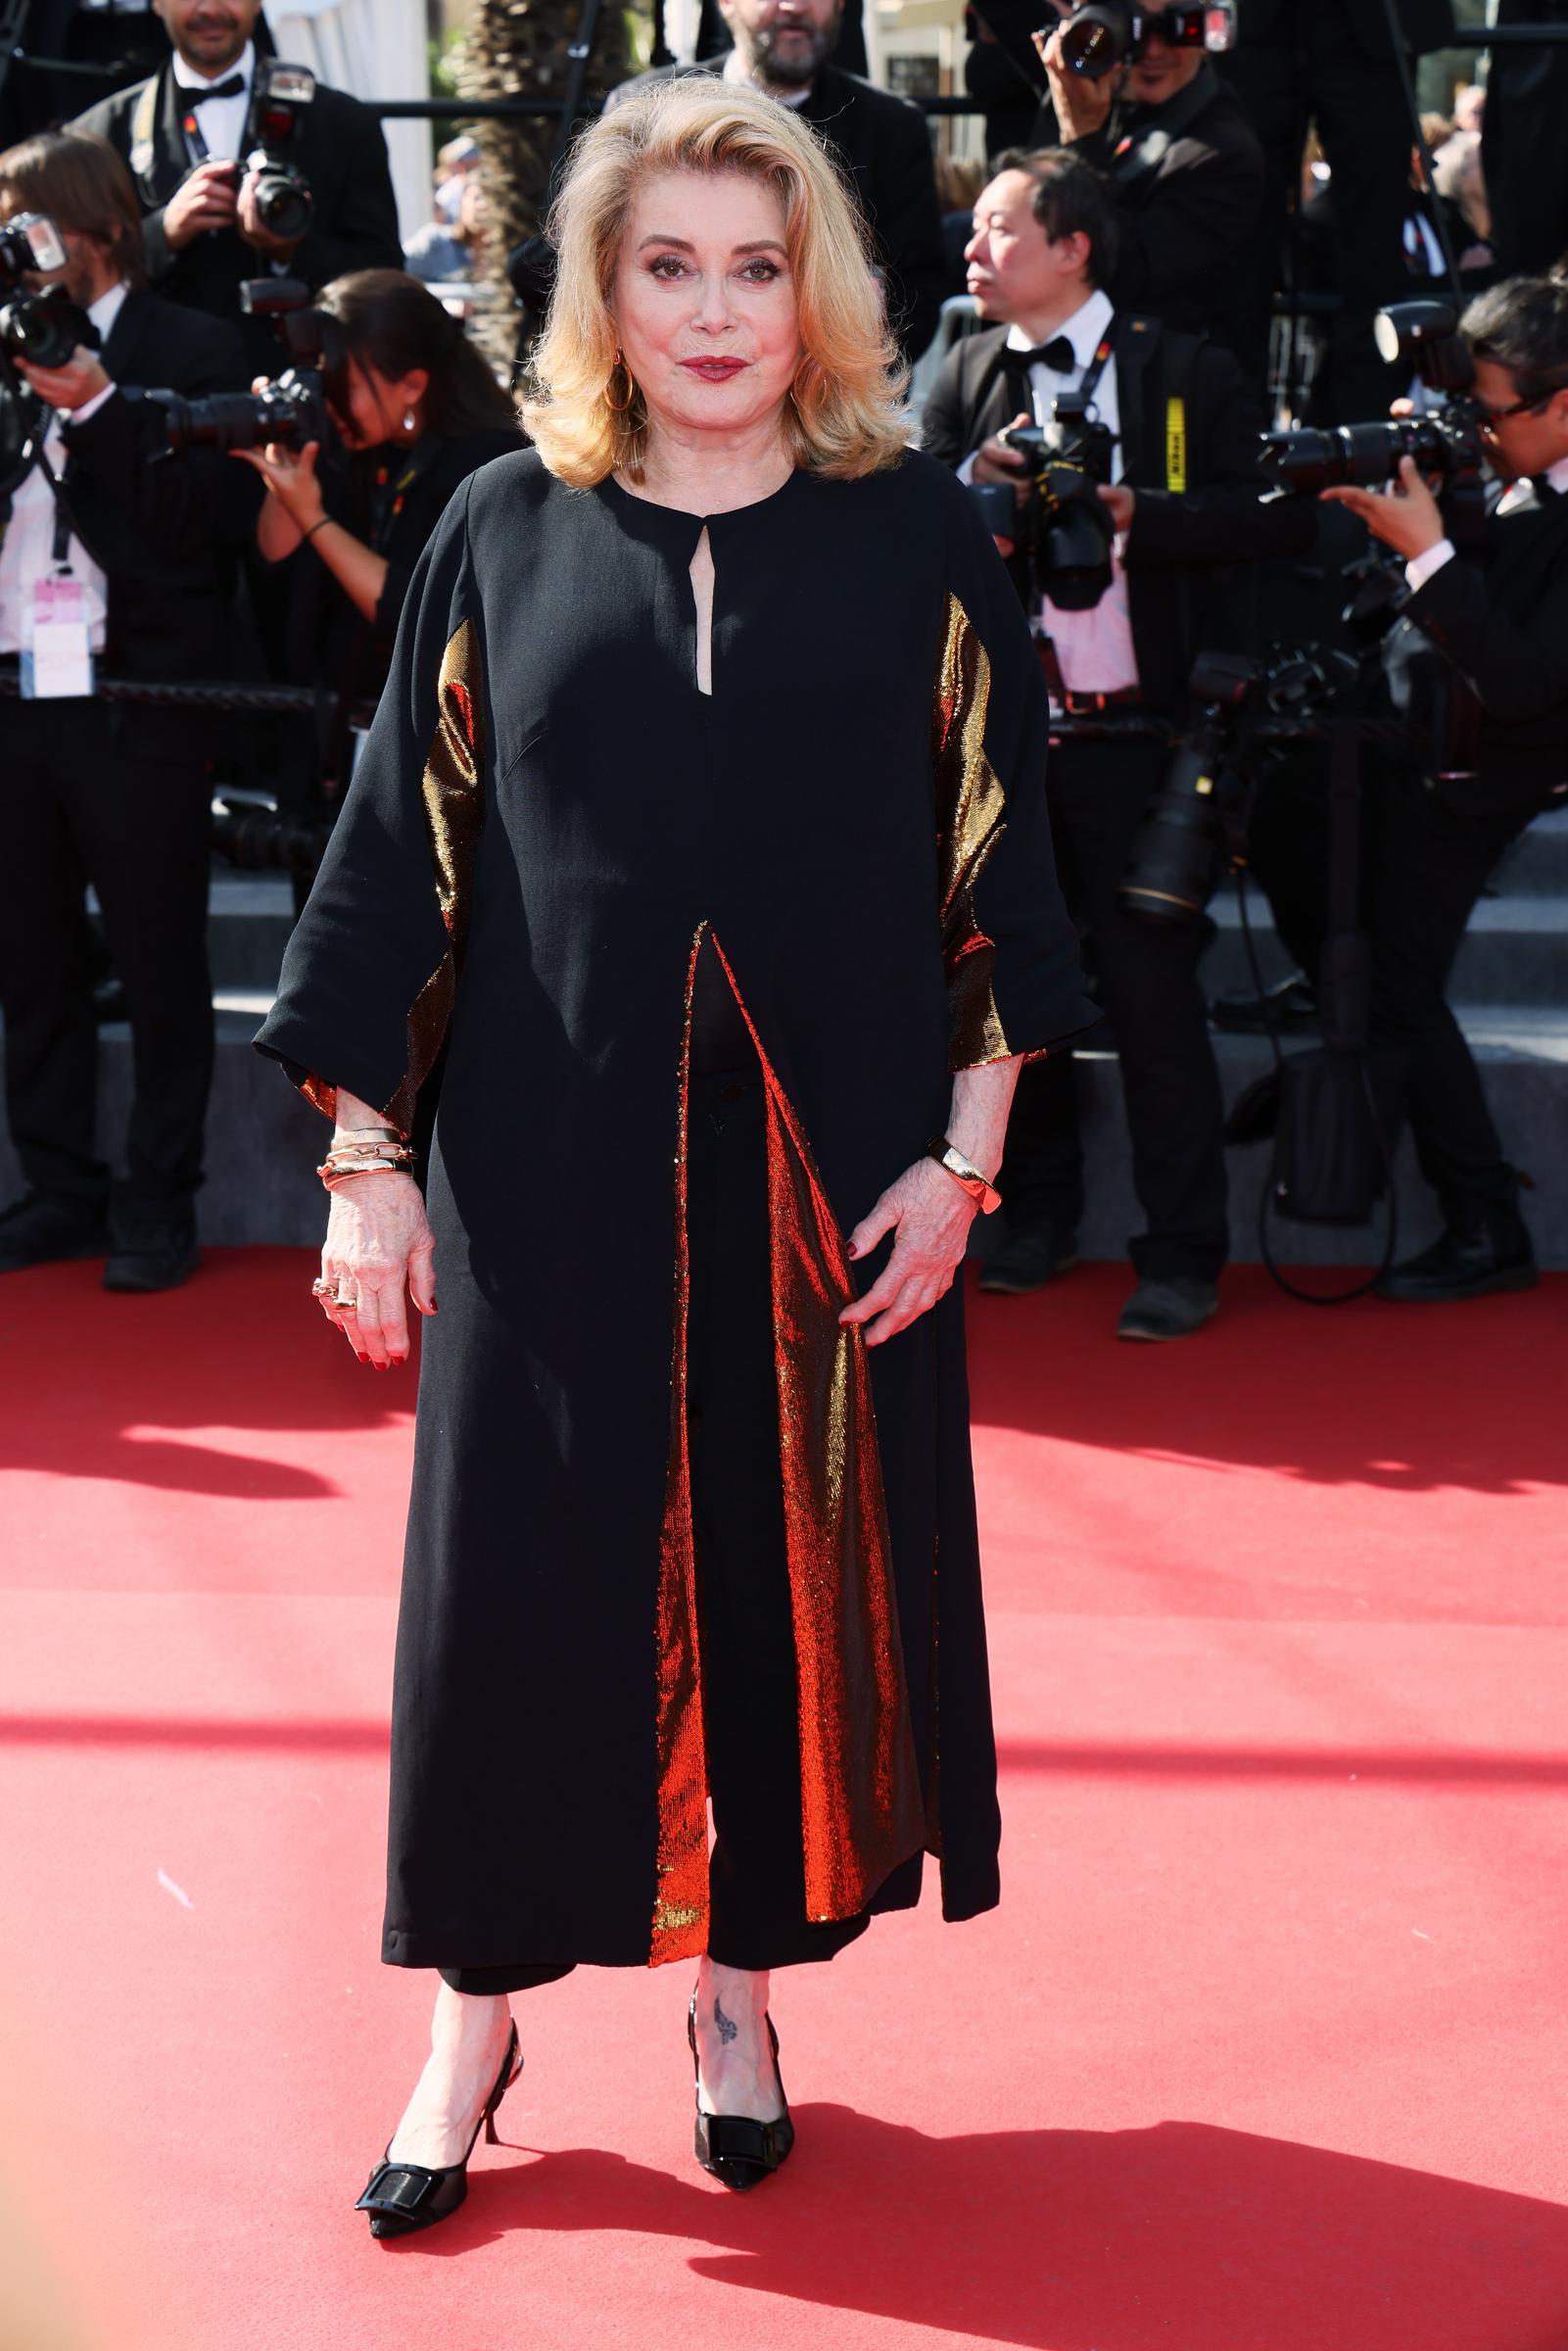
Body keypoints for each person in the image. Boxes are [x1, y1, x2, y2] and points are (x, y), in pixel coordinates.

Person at [254, 79, 1089, 2233]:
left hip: (830, 1201)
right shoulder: (494, 521)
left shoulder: (909, 528)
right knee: (504, 1608)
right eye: (663, 266)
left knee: (785, 1590)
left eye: (750, 265)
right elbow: (395, 864)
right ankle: (475, 2016)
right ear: (596, 292)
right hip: (538, 1179)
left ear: (807, 287)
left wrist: (964, 1163)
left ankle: (737, 1990)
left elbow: (994, 858)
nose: (712, 311)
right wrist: (363, 1164)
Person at [923, 149, 1314, 1339]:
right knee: (1011, 997)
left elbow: (1269, 520)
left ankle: (1181, 1249)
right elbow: (886, 525)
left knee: (1151, 1002)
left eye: (996, 231)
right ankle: (1030, 1219)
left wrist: (1144, 511)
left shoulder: (1179, 370)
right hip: (999, 746)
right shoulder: (967, 371)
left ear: (1071, 247)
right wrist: (964, 490)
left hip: (1137, 740)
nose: (971, 252)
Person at [1247, 274, 1568, 1302]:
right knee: (1289, 831)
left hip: (1484, 776)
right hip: (1400, 741)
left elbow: (1522, 687)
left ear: (1561, 404)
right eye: (1462, 409)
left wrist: (1428, 551)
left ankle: (1485, 1224)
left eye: (1494, 413)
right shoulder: (1488, 462)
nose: (1475, 433)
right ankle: (1331, 1001)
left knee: (1396, 989)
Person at [0, 129, 252, 1288]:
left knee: (157, 961)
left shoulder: (191, 349)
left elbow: (195, 525)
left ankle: (160, 1199)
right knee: (34, 959)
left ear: (90, 229)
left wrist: (101, 409)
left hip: (142, 695)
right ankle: (58, 1188)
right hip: (16, 696)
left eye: (22, 226)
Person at [237, 268, 523, 708]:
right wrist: (284, 464)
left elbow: (419, 616)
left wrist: (315, 519)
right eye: (323, 382)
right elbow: (273, 566)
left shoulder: (491, 469)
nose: (329, 403)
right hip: (338, 726)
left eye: (344, 386)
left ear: (412, 385)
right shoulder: (356, 444)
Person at [71, 0, 403, 375]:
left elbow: (385, 274)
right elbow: (73, 280)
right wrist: (161, 235)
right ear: (157, 4)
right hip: (157, 394)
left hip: (304, 382)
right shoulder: (97, 134)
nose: (211, 8)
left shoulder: (343, 122)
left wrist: (291, 248)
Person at [608, 0, 947, 360]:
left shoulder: (892, 129)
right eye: (671, 268)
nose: (794, 6)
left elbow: (916, 299)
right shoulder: (642, 109)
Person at [1219, 0, 1457, 419]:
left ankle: (1359, 440)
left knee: (1374, 252)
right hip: (1256, 27)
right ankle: (1235, 435)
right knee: (1241, 235)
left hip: (1374, 26)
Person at [1020, 0, 1267, 364]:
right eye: (1133, 29)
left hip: (1173, 393)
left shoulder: (1224, 153)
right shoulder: (1096, 104)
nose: (1153, 50)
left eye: (1176, 28)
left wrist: (1082, 139)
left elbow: (1119, 273)